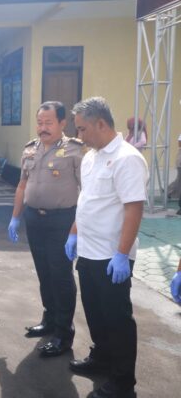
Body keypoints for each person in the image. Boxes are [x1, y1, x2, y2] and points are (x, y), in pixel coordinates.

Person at [66, 97, 148, 398]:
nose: (80, 136)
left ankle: (123, 381)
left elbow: (133, 209)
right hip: (88, 252)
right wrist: (74, 233)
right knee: (96, 313)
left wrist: (122, 254)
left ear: (101, 124)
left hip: (112, 257)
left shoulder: (127, 158)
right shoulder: (91, 157)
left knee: (117, 320)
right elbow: (86, 202)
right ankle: (101, 358)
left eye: (82, 129)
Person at [7, 101, 84, 357]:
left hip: (62, 220)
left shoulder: (75, 151)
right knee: (44, 273)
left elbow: (86, 192)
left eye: (48, 122)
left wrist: (76, 227)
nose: (43, 127)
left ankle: (63, 333)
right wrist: (15, 217)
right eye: (40, 122)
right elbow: (21, 185)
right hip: (34, 219)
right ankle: (49, 320)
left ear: (63, 123)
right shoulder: (30, 150)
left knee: (61, 275)